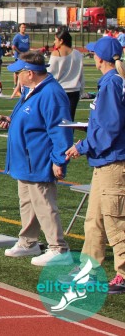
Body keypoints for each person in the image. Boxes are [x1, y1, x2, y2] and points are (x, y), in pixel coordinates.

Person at [0, 50, 73, 266]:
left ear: (30, 73)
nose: (16, 77)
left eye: (19, 72)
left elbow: (60, 130)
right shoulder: (32, 90)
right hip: (26, 160)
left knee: (44, 203)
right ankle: (28, 242)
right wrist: (12, 121)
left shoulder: (51, 93)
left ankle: (58, 248)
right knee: (27, 202)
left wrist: (59, 159)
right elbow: (32, 118)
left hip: (38, 160)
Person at [65, 36, 125, 294]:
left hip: (113, 162)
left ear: (100, 58)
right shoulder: (113, 82)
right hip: (106, 161)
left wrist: (83, 146)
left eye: (93, 54)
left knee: (115, 220)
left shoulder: (112, 84)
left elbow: (110, 127)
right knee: (94, 220)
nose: (92, 57)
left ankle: (123, 273)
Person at [48, 26, 84, 121]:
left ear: (61, 41)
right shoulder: (78, 53)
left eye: (55, 39)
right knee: (70, 119)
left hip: (60, 90)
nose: (54, 42)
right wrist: (81, 89)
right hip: (75, 91)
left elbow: (50, 73)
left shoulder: (56, 53)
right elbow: (81, 74)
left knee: (57, 119)